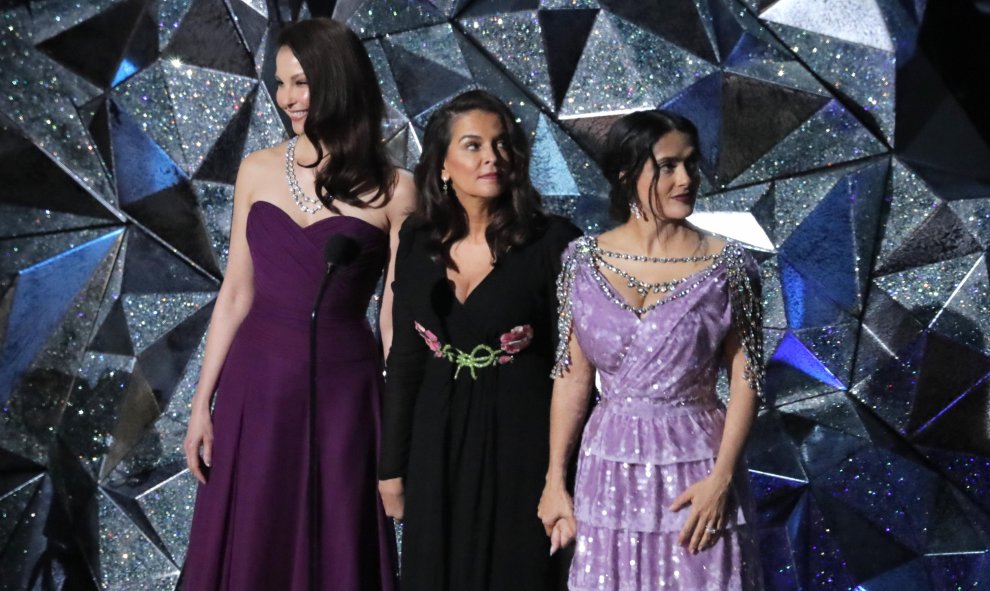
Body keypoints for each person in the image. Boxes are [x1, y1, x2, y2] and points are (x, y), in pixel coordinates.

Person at [181, 18, 414, 591]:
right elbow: (236, 291)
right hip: (255, 384)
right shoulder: (257, 169)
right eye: (281, 83)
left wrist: (401, 418)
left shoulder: (398, 188)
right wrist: (200, 404)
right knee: (251, 529)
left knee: (337, 536)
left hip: (346, 392)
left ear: (339, 81)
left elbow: (393, 313)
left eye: (302, 82)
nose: (288, 98)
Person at [537, 109, 764, 590]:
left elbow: (748, 378)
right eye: (667, 166)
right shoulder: (581, 262)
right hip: (609, 467)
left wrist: (722, 479)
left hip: (697, 468)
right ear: (626, 174)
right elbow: (572, 376)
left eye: (690, 164)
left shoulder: (730, 266)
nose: (685, 179)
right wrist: (555, 481)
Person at [377, 89, 582, 590]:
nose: (492, 156)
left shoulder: (554, 242)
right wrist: (391, 467)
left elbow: (574, 369)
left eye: (502, 144)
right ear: (442, 164)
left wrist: (560, 475)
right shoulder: (417, 241)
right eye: (473, 145)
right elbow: (405, 359)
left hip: (523, 438)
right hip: (435, 438)